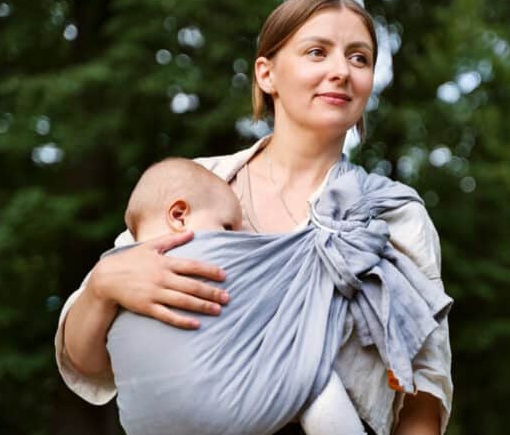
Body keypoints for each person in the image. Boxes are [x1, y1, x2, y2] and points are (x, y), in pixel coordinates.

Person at [56, 0, 453, 434]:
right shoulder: (193, 188)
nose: (341, 71)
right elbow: (87, 361)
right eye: (317, 52)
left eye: (359, 58)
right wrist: (102, 286)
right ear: (267, 74)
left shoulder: (393, 217)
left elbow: (422, 400)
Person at [110, 156, 372, 434]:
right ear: (179, 216)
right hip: (218, 406)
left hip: (141, 422)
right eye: (227, 227)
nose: (237, 237)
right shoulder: (205, 256)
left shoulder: (118, 269)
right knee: (312, 376)